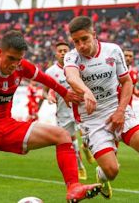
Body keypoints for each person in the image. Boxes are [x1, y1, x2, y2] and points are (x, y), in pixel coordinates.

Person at [0, 30, 101, 203]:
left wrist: (65, 93)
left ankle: (73, 188)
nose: (14, 64)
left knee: (62, 135)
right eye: (11, 58)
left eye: (18, 59)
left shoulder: (22, 66)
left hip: (7, 125)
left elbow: (44, 78)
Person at [64, 16, 139, 203]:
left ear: (94, 34)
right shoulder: (72, 56)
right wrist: (86, 91)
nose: (81, 45)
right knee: (112, 170)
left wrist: (120, 111)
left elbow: (127, 82)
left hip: (117, 109)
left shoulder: (113, 50)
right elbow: (71, 77)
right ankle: (101, 174)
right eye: (76, 41)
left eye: (84, 39)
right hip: (92, 119)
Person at [44, 41, 88, 180]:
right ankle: (80, 167)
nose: (63, 53)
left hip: (81, 108)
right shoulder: (50, 72)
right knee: (71, 143)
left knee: (89, 135)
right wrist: (49, 97)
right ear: (56, 54)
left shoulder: (78, 67)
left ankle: (87, 147)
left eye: (65, 50)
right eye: (60, 51)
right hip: (63, 113)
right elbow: (44, 91)